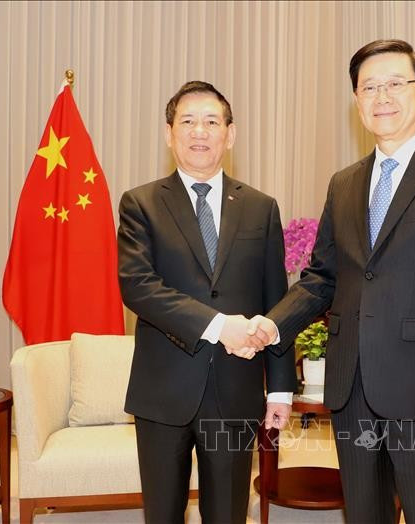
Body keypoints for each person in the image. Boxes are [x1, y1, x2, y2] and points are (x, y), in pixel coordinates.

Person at [253, 39, 415, 523]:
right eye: (369, 87)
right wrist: (271, 324)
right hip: (353, 390)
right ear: (356, 100)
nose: (382, 97)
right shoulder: (344, 182)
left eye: (395, 83)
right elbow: (322, 278)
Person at [117, 80, 295, 524]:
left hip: (235, 393)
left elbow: (276, 301)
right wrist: (220, 326)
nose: (200, 132)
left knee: (229, 514)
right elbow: (138, 286)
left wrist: (280, 389)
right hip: (163, 393)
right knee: (163, 514)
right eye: (188, 121)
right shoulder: (141, 204)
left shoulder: (261, 208)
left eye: (212, 122)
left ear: (230, 134)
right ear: (169, 133)